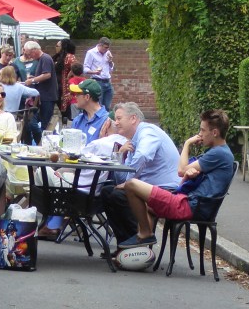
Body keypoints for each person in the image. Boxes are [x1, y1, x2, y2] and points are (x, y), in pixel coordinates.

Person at [117, 109, 235, 248]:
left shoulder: (218, 153)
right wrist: (188, 175)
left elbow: (180, 170)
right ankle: (142, 249)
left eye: (203, 130)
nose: (200, 134)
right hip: (190, 203)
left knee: (131, 184)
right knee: (148, 205)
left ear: (214, 132)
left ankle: (145, 235)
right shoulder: (219, 152)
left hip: (189, 206)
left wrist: (187, 144)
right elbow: (184, 175)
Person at [100, 101, 181, 248]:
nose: (116, 123)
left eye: (119, 118)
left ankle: (139, 244)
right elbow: (123, 178)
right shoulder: (131, 141)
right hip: (147, 188)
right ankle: (123, 246)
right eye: (115, 119)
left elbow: (143, 156)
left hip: (166, 190)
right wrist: (119, 154)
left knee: (119, 196)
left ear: (133, 119)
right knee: (106, 191)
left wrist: (128, 183)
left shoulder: (148, 132)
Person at [24, 41, 59, 136]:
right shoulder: (42, 59)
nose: (30, 56)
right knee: (39, 122)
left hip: (48, 96)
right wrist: (34, 78)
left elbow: (47, 75)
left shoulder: (45, 58)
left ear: (35, 50)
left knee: (46, 124)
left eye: (29, 53)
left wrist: (32, 80)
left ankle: (47, 142)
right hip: (44, 96)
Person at [83, 37, 115, 110]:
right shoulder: (91, 53)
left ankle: (106, 121)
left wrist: (110, 61)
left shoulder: (108, 52)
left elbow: (111, 68)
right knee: (98, 106)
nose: (107, 49)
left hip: (107, 81)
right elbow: (85, 69)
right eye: (105, 48)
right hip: (97, 81)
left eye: (108, 48)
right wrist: (94, 72)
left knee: (107, 107)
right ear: (100, 45)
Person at [55, 40, 77, 118]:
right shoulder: (58, 57)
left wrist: (68, 77)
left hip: (66, 89)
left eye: (57, 46)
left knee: (67, 113)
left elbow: (75, 68)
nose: (56, 48)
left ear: (63, 47)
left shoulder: (70, 57)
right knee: (63, 112)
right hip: (57, 88)